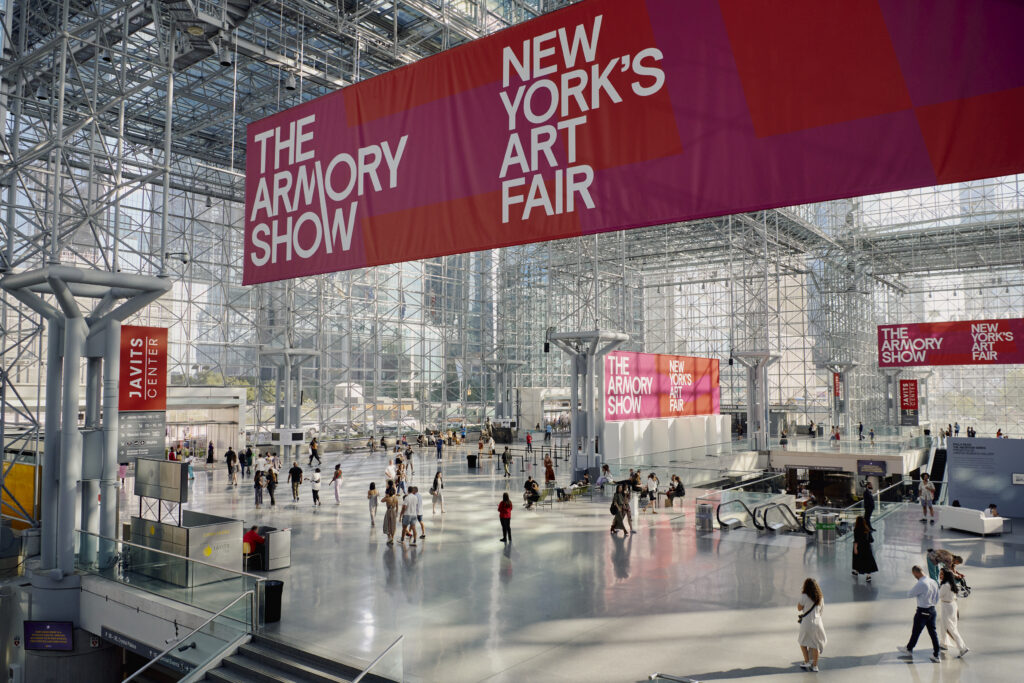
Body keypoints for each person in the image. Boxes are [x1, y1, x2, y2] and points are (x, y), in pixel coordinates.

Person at [898, 566, 941, 662]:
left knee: (916, 632)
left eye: (914, 575)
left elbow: (909, 594)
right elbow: (937, 596)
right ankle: (936, 655)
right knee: (933, 633)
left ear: (916, 573)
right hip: (932, 611)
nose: (914, 577)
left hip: (922, 612)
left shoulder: (921, 583)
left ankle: (909, 649)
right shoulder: (933, 581)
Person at [797, 578, 826, 672]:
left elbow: (799, 608)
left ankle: (806, 661)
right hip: (818, 623)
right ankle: (815, 666)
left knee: (802, 642)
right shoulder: (820, 597)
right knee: (815, 644)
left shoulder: (804, 596)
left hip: (806, 622)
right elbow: (821, 611)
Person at [938, 567, 969, 658]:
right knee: (944, 625)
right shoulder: (951, 584)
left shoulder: (945, 586)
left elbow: (938, 595)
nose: (940, 575)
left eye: (942, 574)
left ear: (946, 576)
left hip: (946, 607)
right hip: (952, 606)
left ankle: (962, 647)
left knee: (951, 628)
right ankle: (944, 643)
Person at [851, 516, 878, 582]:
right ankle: (868, 576)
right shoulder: (867, 529)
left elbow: (856, 540)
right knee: (867, 560)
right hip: (867, 547)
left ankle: (857, 571)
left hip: (859, 547)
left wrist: (855, 548)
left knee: (858, 559)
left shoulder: (856, 529)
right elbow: (870, 539)